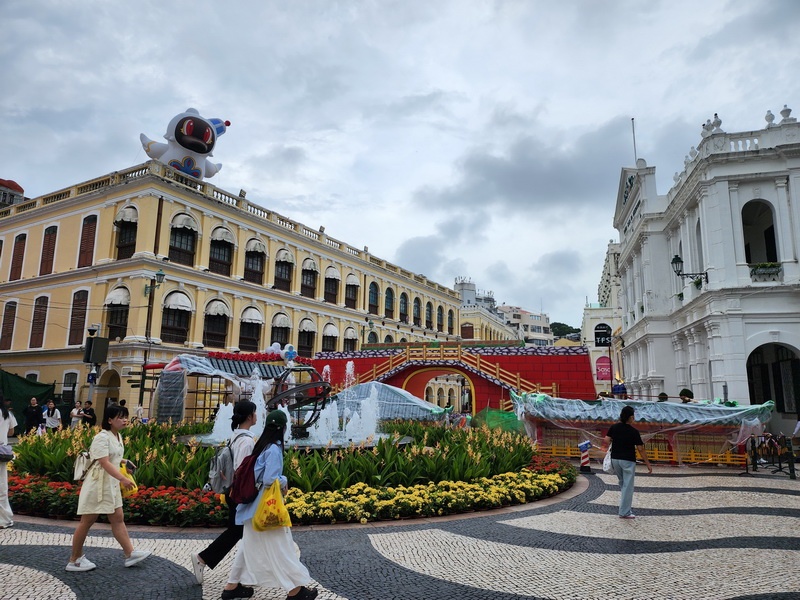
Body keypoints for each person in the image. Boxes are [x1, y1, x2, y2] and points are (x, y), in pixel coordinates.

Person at [222, 410, 318, 600]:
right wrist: (284, 480)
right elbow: (269, 479)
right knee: (281, 547)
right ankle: (295, 591)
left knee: (247, 545)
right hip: (266, 508)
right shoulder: (274, 449)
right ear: (283, 428)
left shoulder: (261, 445)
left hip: (251, 508)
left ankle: (231, 587)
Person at [66, 404, 151, 572]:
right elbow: (103, 462)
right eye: (120, 417)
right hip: (98, 485)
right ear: (110, 420)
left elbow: (111, 457)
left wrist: (124, 461)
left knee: (118, 518)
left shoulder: (117, 436)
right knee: (86, 522)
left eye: (125, 417)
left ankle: (130, 553)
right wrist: (123, 479)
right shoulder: (102, 437)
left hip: (110, 485)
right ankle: (74, 560)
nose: (125, 420)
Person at [190, 401, 258, 586]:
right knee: (237, 532)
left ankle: (247, 574)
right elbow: (241, 470)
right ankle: (203, 559)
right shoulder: (246, 441)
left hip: (232, 492)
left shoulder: (236, 436)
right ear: (249, 416)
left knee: (242, 533)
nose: (257, 416)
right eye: (255, 412)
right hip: (239, 494)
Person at [603, 405, 652, 519]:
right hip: (628, 460)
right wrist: (647, 464)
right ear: (630, 417)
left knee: (622, 483)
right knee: (628, 486)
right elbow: (640, 449)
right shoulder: (634, 431)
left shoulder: (614, 427)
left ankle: (624, 507)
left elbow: (606, 439)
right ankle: (624, 512)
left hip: (615, 459)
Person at [1, 393, 18, 529]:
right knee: (1, 486)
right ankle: (3, 519)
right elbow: (11, 432)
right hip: (2, 452)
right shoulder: (7, 413)